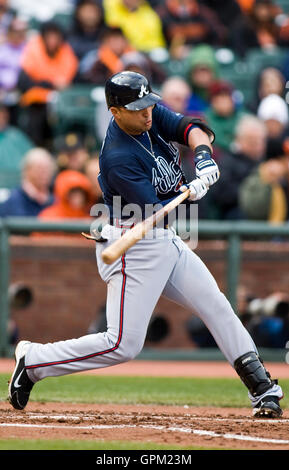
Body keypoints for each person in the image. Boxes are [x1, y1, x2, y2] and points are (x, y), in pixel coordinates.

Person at [8, 71, 283, 419]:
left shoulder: (148, 115)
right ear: (115, 111)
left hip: (161, 237)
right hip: (132, 243)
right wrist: (191, 192)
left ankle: (262, 387)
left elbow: (190, 128)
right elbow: (156, 211)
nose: (147, 113)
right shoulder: (117, 157)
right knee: (123, 344)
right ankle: (33, 361)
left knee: (217, 305)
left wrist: (202, 157)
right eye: (137, 108)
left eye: (148, 104)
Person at [17, 21, 78, 147]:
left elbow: (67, 80)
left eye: (55, 36)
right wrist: (50, 83)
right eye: (49, 36)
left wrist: (52, 84)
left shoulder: (65, 51)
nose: (52, 40)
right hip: (36, 100)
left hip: (60, 100)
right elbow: (24, 81)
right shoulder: (34, 48)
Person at [211, 114, 267, 219]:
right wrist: (251, 191)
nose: (258, 146)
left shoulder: (265, 162)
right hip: (235, 220)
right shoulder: (227, 161)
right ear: (239, 139)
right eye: (252, 141)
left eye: (261, 141)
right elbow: (220, 194)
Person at [0, 147, 55, 217]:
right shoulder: (14, 200)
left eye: (47, 169)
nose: (44, 173)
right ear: (27, 171)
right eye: (39, 169)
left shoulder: (55, 199)